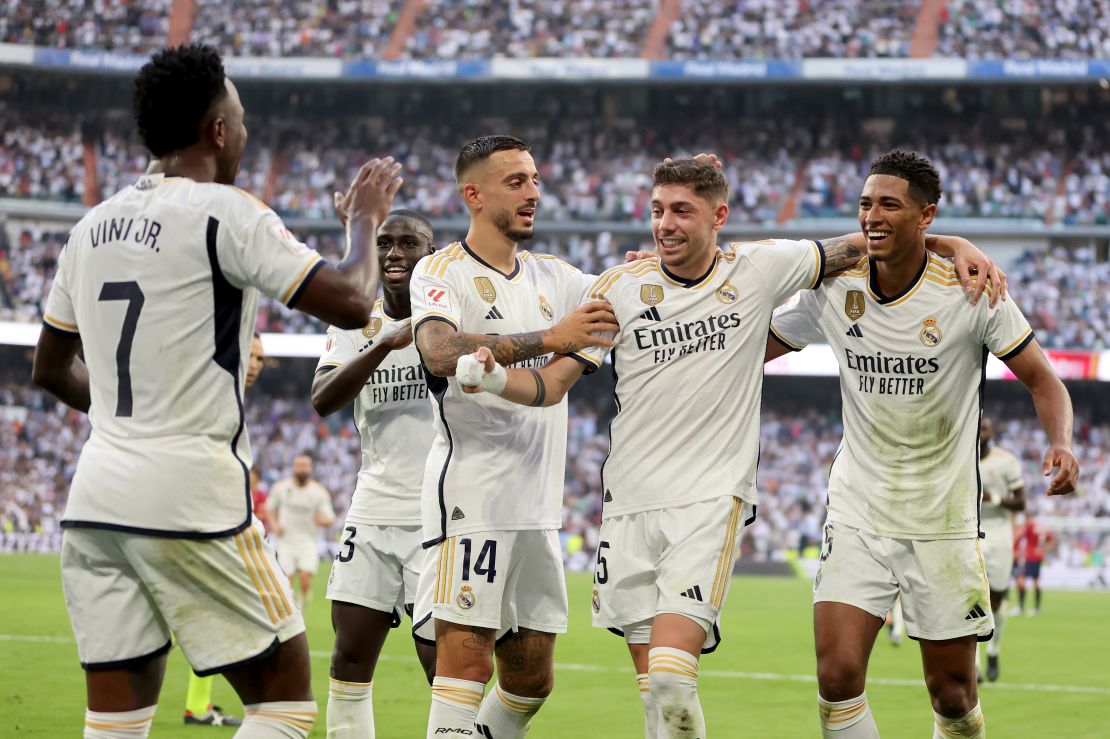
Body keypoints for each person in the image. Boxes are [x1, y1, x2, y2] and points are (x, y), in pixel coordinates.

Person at [455, 157, 999, 738]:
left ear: (719, 216)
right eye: (658, 210)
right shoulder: (620, 287)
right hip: (629, 507)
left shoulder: (760, 268)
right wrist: (490, 377)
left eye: (682, 211)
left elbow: (864, 242)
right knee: (657, 699)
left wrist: (950, 242)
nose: (664, 224)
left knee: (669, 675)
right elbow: (551, 385)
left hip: (710, 502)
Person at [31, 43, 402, 739]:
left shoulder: (89, 227)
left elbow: (49, 368)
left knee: (114, 724)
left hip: (96, 500)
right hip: (189, 495)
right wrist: (365, 216)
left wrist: (122, 413)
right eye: (243, 119)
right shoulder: (226, 212)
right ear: (218, 130)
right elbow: (355, 300)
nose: (247, 132)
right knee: (286, 704)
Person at [767, 150, 1079, 738]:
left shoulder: (972, 290)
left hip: (942, 516)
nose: (872, 216)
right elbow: (757, 346)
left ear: (926, 215)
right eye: (865, 204)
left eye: (890, 204)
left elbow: (1045, 382)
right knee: (836, 678)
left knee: (952, 693)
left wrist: (1061, 442)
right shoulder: (835, 288)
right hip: (858, 505)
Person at [408, 135, 619, 739]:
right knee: (468, 656)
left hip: (536, 503)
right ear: (473, 195)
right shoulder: (442, 271)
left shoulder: (561, 279)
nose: (534, 193)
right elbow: (441, 350)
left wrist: (686, 209)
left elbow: (553, 386)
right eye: (517, 182)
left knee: (531, 677)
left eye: (535, 180)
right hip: (472, 494)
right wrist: (549, 337)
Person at [310, 209, 439, 737]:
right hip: (373, 507)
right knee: (348, 659)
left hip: (437, 514)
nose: (394, 252)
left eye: (409, 243)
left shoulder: (451, 315)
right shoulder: (354, 324)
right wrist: (382, 343)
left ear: (431, 253)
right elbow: (322, 398)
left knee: (443, 666)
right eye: (385, 242)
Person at [183, 332, 267, 727]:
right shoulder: (209, 394)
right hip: (193, 520)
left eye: (261, 359)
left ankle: (199, 705)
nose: (254, 364)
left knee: (212, 612)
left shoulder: (232, 399)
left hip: (211, 518)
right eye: (249, 355)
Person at [977, 417, 1025, 681]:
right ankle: (973, 666)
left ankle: (994, 650)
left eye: (985, 428)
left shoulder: (1005, 461)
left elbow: (1021, 502)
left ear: (991, 432)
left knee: (997, 599)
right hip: (968, 533)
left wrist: (992, 498)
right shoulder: (958, 458)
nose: (981, 432)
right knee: (970, 598)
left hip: (1000, 535)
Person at [269, 452, 336, 608]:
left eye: (305, 466)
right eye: (298, 465)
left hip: (307, 540)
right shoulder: (281, 488)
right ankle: (290, 608)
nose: (301, 469)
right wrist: (274, 524)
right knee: (286, 580)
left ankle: (303, 603)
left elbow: (330, 518)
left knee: (305, 579)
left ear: (311, 468)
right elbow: (270, 509)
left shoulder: (319, 492)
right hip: (286, 540)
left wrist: (320, 520)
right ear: (293, 467)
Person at [1014, 518, 1055, 616]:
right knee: (1036, 581)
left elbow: (1019, 535)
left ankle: (1021, 607)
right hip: (1038, 555)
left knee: (1021, 580)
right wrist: (1044, 550)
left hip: (1029, 556)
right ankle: (1036, 608)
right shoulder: (1041, 527)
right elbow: (1051, 539)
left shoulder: (1030, 525)